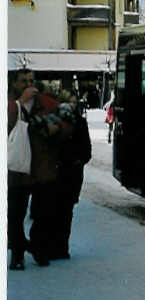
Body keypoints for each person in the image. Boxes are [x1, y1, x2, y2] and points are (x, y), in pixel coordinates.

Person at [7, 68, 72, 268]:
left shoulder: (46, 102)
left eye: (31, 80)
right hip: (17, 169)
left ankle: (38, 248)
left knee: (43, 214)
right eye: (23, 81)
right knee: (15, 215)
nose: (28, 85)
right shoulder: (9, 103)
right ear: (14, 83)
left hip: (42, 168)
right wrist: (19, 104)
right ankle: (18, 253)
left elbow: (67, 123)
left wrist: (57, 129)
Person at [51, 90, 92, 259]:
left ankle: (62, 247)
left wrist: (78, 161)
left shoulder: (80, 122)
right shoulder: (53, 120)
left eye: (75, 102)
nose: (72, 106)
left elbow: (87, 150)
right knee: (54, 210)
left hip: (72, 173)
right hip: (56, 172)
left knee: (66, 211)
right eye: (69, 102)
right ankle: (52, 246)